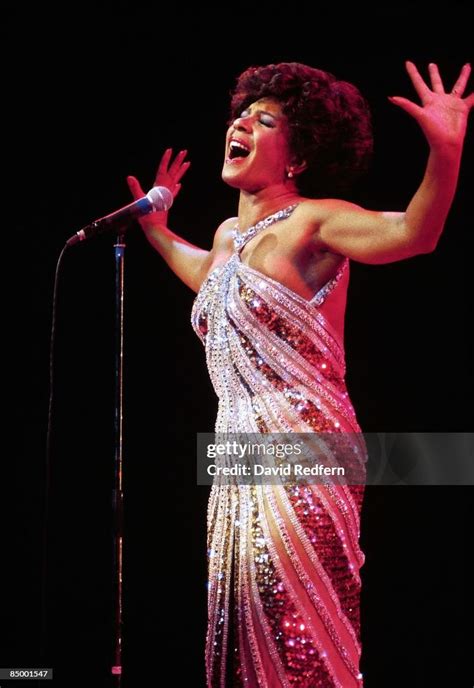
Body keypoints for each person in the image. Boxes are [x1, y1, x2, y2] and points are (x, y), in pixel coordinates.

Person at [127, 61, 473, 687]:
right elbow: (209, 278)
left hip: (304, 452)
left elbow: (414, 233)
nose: (241, 122)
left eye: (265, 120)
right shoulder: (230, 235)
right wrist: (156, 231)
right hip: (238, 461)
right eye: (241, 114)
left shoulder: (314, 220)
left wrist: (445, 153)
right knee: (242, 635)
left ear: (299, 157)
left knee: (296, 634)